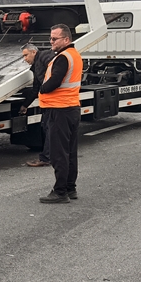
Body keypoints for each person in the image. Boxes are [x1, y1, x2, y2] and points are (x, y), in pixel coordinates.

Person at [37, 24, 83, 203]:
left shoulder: (63, 58)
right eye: (50, 38)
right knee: (70, 152)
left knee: (59, 154)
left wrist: (42, 88)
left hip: (60, 110)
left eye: (54, 38)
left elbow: (55, 80)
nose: (51, 42)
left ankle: (60, 192)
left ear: (66, 39)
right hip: (71, 108)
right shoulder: (74, 55)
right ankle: (70, 188)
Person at [19, 42, 54, 168]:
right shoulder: (37, 65)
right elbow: (36, 88)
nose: (25, 59)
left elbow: (45, 84)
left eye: (26, 55)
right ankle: (49, 156)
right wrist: (25, 105)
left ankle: (46, 158)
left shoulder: (43, 59)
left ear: (34, 52)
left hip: (53, 102)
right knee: (46, 128)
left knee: (49, 129)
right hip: (47, 102)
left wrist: (45, 90)